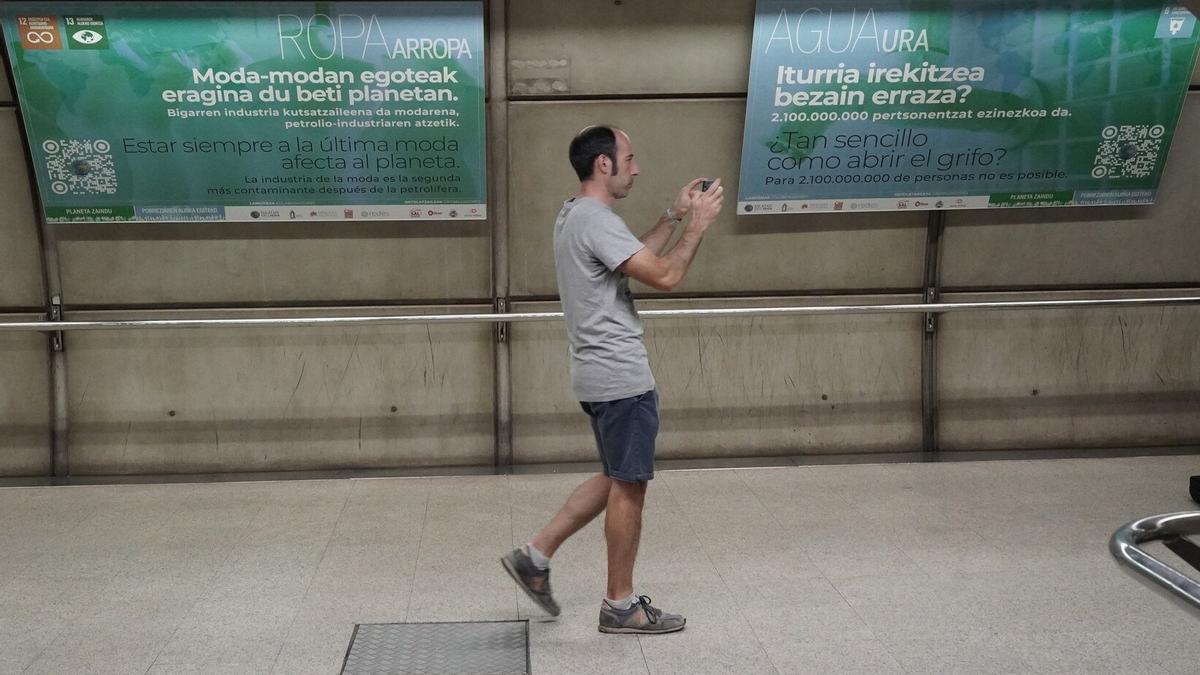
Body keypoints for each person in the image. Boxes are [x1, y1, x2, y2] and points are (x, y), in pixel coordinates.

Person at [502, 125, 724, 634]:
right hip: (621, 378)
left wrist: (673, 214)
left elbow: (631, 259)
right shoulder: (595, 220)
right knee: (630, 485)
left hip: (595, 373)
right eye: (630, 157)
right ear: (604, 164)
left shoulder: (578, 215)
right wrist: (699, 225)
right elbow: (665, 275)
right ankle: (620, 605)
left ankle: (534, 556)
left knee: (615, 475)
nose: (637, 167)